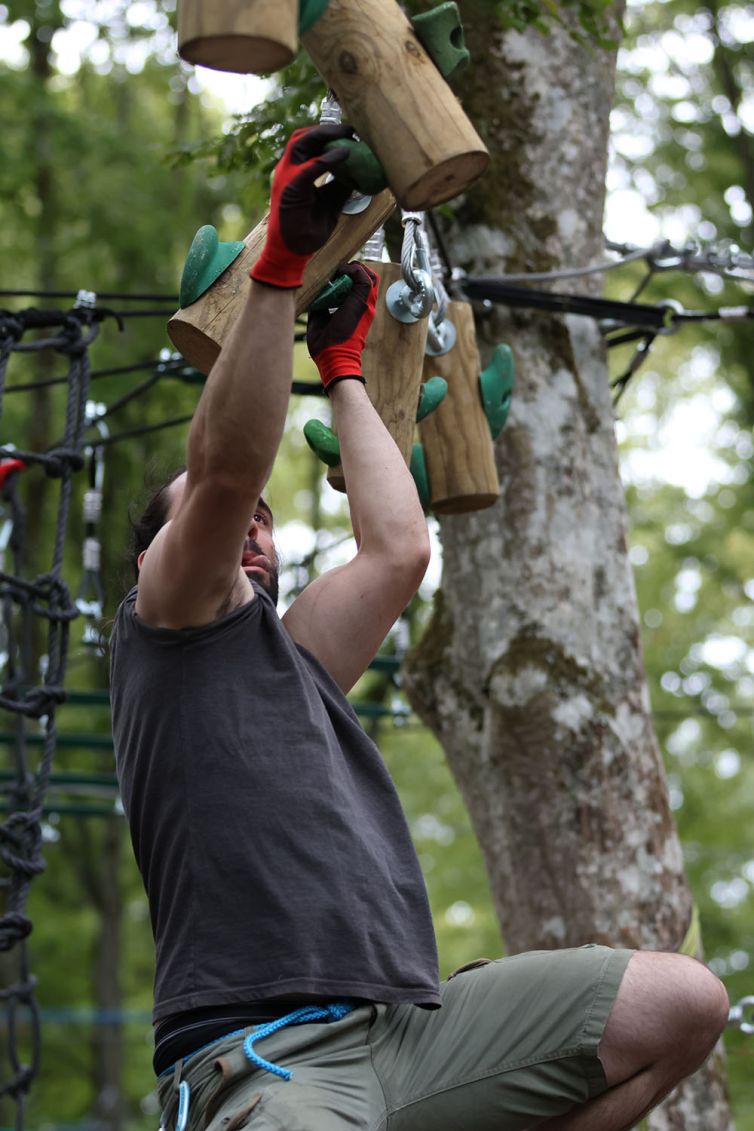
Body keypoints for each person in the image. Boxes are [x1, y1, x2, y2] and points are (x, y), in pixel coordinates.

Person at [110, 125, 729, 1131]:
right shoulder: (166, 622)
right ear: (155, 556)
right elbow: (225, 471)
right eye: (230, 523)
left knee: (681, 1007)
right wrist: (276, 267)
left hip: (407, 1032)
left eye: (267, 523)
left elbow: (397, 551)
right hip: (264, 1059)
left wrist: (343, 365)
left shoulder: (294, 659)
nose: (252, 527)